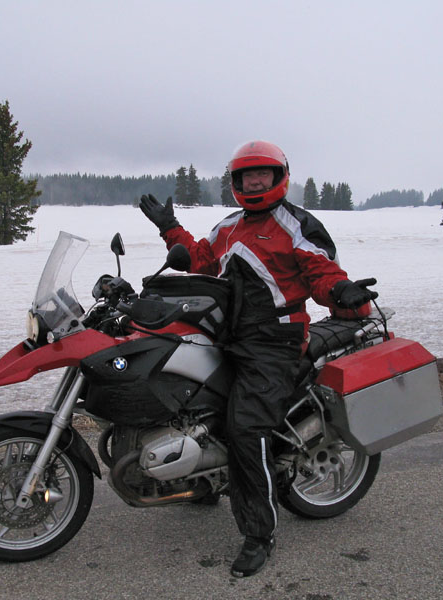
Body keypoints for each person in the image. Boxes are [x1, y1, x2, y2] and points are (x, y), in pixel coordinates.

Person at [139, 140, 377, 577]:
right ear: (236, 182)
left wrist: (340, 290)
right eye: (246, 177)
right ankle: (201, 482)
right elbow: (200, 259)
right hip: (230, 336)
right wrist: (170, 227)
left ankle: (258, 534)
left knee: (246, 429)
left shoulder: (297, 225)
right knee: (191, 399)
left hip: (275, 344)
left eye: (261, 175)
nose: (253, 183)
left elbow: (322, 271)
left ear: (279, 177)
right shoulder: (230, 226)